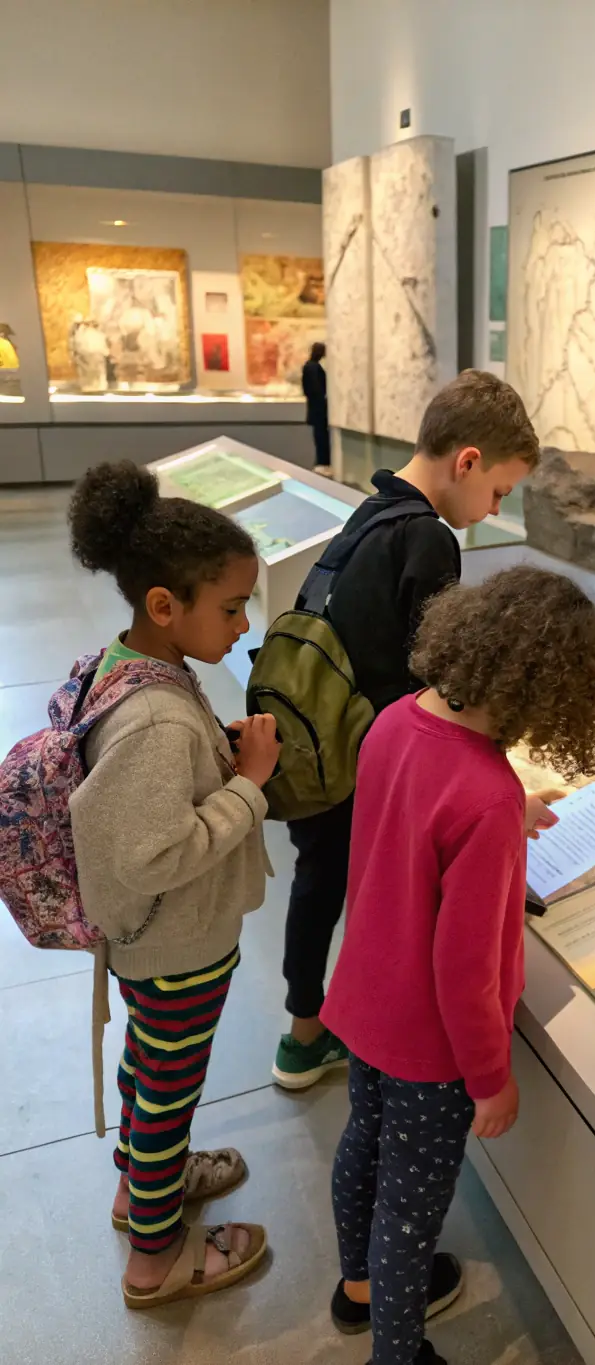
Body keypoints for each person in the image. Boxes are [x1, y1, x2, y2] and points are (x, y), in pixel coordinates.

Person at [324, 566, 595, 1365]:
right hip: (431, 1050)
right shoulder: (486, 795)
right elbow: (466, 971)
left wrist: (510, 812)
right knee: (411, 1211)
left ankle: (354, 1290)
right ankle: (397, 1350)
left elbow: (411, 818)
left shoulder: (394, 720)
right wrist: (490, 1077)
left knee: (364, 1140)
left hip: (361, 1002)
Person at [272, 369, 541, 1092]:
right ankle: (330, 1037)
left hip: (322, 739)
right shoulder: (428, 538)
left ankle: (306, 1028)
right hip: (364, 757)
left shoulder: (373, 510)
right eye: (499, 492)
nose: (490, 509)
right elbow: (444, 676)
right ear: (468, 462)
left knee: (318, 881)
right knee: (356, 890)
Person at [67, 462, 282, 1309]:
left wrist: (214, 756)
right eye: (230, 606)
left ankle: (138, 1192)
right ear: (166, 606)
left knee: (151, 1071)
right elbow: (154, 853)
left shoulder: (133, 665)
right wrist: (249, 781)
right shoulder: (154, 716)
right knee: (167, 1093)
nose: (243, 621)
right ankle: (155, 1259)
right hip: (178, 945)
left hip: (152, 946)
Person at [302, 340, 329, 469]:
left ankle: (321, 461)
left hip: (316, 408)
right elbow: (315, 389)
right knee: (321, 436)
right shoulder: (313, 368)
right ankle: (322, 462)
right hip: (318, 409)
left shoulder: (310, 366)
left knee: (320, 436)